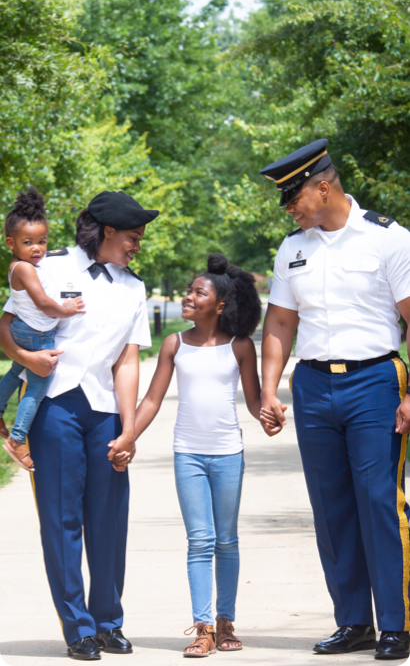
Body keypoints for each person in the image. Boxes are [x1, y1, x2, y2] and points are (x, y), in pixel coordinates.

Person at [259, 139, 410, 661]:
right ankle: (353, 622)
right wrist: (268, 391)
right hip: (313, 385)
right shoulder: (292, 248)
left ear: (323, 186)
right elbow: (280, 321)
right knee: (331, 507)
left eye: (292, 196)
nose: (287, 208)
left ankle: (396, 623)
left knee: (378, 501)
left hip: (374, 382)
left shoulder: (388, 240)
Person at [0, 190, 158, 661]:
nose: (137, 246)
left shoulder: (134, 288)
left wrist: (129, 429)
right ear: (108, 231)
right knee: (62, 521)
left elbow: (128, 360)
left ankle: (109, 621)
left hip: (106, 412)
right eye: (133, 237)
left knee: (109, 521)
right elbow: (6, 324)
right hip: (55, 410)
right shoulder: (49, 265)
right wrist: (26, 357)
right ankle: (79, 628)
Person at [122, 254, 262, 657]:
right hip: (188, 454)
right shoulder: (174, 343)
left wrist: (268, 413)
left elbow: (253, 402)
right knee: (199, 541)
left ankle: (225, 621)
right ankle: (202, 627)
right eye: (188, 290)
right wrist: (128, 436)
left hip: (227, 454)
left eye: (197, 292)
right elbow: (151, 400)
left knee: (227, 541)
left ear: (219, 306)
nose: (188, 296)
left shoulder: (240, 347)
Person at [0, 187, 85, 472]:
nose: (37, 248)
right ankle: (17, 438)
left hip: (27, 330)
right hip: (36, 335)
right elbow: (44, 303)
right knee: (36, 387)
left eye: (42, 241)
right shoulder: (24, 269)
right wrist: (67, 309)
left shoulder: (23, 265)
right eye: (28, 242)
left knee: (15, 371)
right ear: (10, 242)